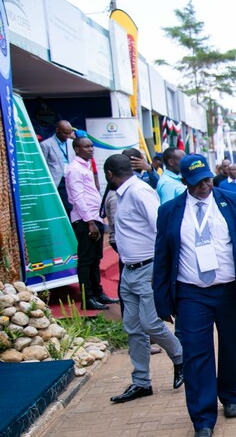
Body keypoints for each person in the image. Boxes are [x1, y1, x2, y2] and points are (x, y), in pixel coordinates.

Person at [153, 154, 236, 437]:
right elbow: (162, 258)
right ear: (184, 181)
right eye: (197, 182)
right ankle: (202, 418)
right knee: (196, 354)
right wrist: (162, 300)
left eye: (207, 179)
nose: (205, 185)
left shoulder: (233, 202)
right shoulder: (169, 211)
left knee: (233, 345)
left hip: (231, 289)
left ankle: (229, 394)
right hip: (192, 293)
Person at [103, 154, 184, 404]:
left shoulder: (139, 191)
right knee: (133, 328)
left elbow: (161, 229)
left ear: (109, 175)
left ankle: (181, 358)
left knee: (150, 324)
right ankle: (141, 382)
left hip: (147, 269)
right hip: (129, 270)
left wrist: (159, 271)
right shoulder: (122, 194)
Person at [66, 137, 118, 310]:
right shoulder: (74, 169)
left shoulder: (85, 167)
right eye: (86, 147)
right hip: (84, 220)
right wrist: (89, 222)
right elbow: (78, 198)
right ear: (76, 149)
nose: (91, 149)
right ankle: (87, 298)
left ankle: (97, 293)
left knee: (96, 258)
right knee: (86, 260)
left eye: (91, 146)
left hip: (93, 218)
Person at [41, 120, 76, 214]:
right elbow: (43, 166)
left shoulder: (72, 143)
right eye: (65, 133)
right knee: (66, 207)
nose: (68, 136)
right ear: (57, 130)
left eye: (69, 133)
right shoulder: (46, 144)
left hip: (72, 179)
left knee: (74, 207)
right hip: (58, 181)